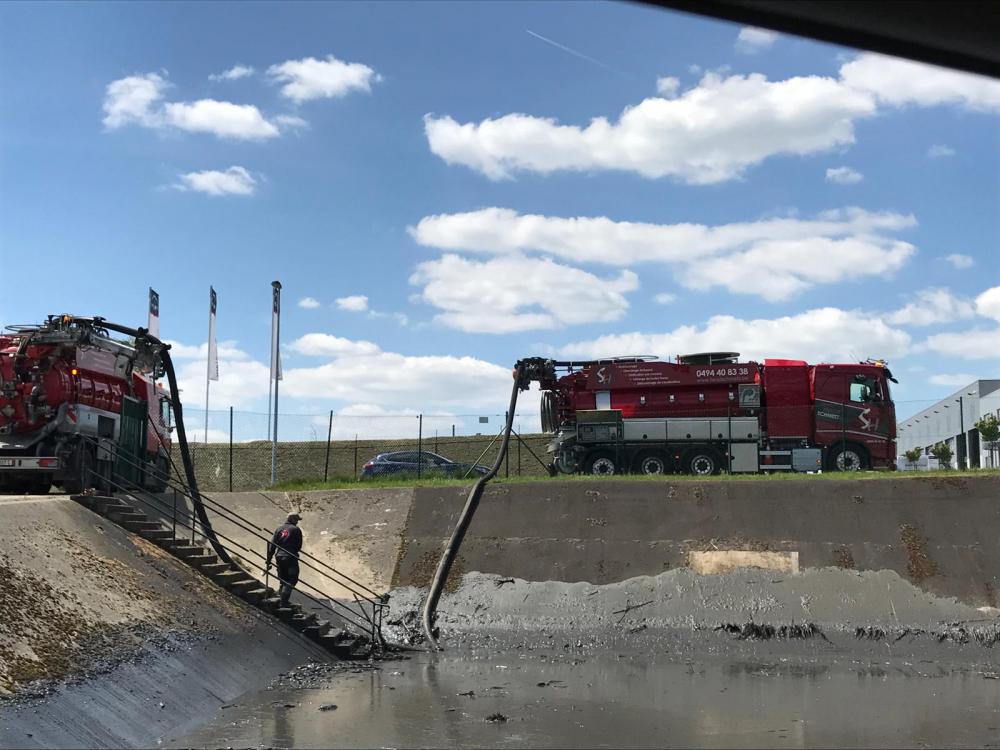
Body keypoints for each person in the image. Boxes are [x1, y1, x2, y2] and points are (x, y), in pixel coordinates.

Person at [265, 512, 303, 607]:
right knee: (292, 579)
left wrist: (268, 559)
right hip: (290, 557)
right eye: (296, 520)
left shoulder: (279, 529)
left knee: (283, 579)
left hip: (279, 556)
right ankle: (284, 601)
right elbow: (299, 546)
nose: (297, 522)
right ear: (292, 519)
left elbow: (272, 545)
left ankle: (280, 598)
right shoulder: (296, 530)